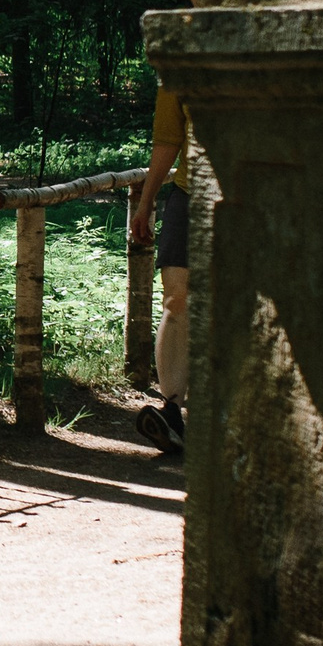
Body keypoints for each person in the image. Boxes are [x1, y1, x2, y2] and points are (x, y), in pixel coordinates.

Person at [127, 83, 189, 453]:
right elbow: (168, 138)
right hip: (189, 194)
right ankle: (172, 412)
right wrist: (146, 201)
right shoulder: (177, 70)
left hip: (253, 192)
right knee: (176, 297)